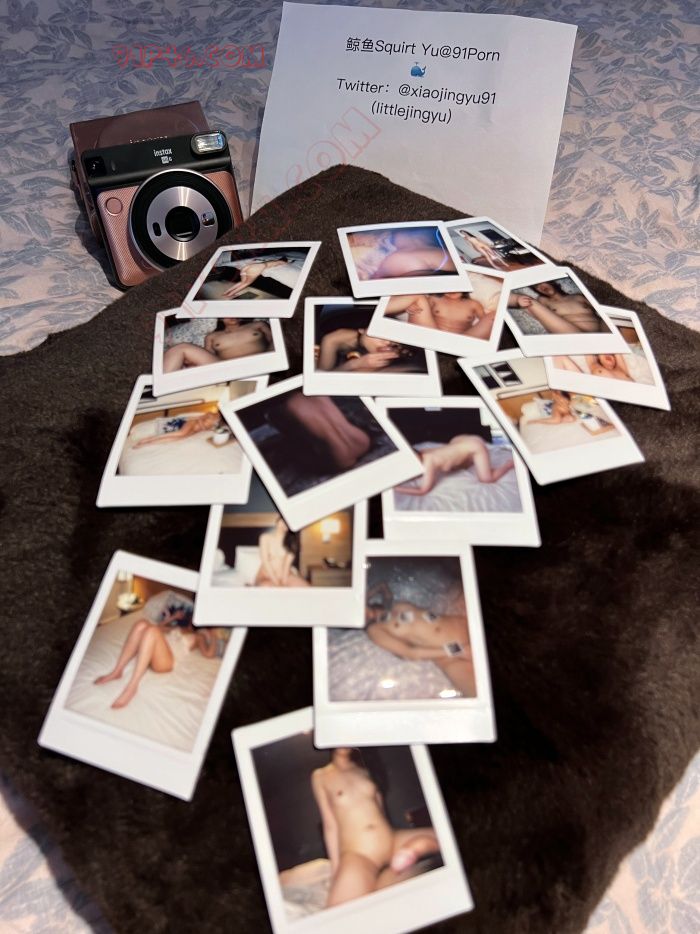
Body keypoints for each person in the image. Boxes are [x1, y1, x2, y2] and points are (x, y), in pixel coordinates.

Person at [311, 748, 440, 908]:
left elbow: (381, 812)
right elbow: (330, 826)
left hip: (391, 840)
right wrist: (336, 872)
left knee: (448, 835)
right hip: (360, 855)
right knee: (338, 912)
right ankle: (413, 850)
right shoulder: (320, 776)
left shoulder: (365, 770)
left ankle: (415, 848)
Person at [94, 614, 225, 709]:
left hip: (166, 660)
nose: (192, 619)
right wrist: (172, 618)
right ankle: (117, 671)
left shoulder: (199, 636)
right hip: (152, 650)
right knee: (141, 623)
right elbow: (157, 627)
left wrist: (213, 634)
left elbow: (209, 654)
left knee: (152, 631)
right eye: (192, 617)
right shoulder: (179, 628)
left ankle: (132, 686)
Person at [366, 598, 476, 697]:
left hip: (468, 626)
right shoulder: (375, 629)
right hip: (450, 657)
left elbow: (382, 587)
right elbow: (411, 653)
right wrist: (459, 650)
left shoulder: (396, 605)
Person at [268, 392, 371, 472]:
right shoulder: (316, 391)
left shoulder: (279, 410)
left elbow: (295, 440)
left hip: (337, 457)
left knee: (292, 448)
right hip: (362, 440)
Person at [394, 434, 514, 496]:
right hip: (459, 440)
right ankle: (472, 459)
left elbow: (423, 490)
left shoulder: (428, 460)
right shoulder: (422, 452)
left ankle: (508, 464)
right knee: (455, 466)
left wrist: (396, 488)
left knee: (486, 479)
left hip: (475, 446)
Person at [163, 319, 272, 371]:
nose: (231, 316)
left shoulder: (258, 324)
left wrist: (268, 358)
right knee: (180, 348)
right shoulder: (212, 336)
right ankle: (161, 389)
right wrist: (193, 363)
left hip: (261, 361)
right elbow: (208, 356)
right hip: (226, 368)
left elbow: (275, 340)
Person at [383, 292, 494, 339]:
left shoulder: (473, 304)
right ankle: (377, 309)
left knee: (493, 316)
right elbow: (422, 310)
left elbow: (484, 322)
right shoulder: (435, 299)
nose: (453, 290)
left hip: (462, 339)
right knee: (417, 297)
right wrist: (410, 306)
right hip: (433, 335)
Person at [509, 280, 605, 334]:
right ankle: (511, 297)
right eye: (536, 287)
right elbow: (538, 314)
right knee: (527, 301)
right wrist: (519, 302)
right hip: (573, 334)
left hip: (601, 332)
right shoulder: (544, 300)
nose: (541, 287)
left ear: (553, 283)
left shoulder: (578, 297)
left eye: (542, 282)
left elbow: (602, 310)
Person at [317, 327, 416, 373]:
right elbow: (321, 380)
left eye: (393, 344)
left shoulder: (380, 354)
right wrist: (354, 364)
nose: (386, 343)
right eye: (380, 334)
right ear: (362, 329)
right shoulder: (333, 339)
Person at [371, 229, 457, 280]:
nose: (379, 242)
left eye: (389, 239)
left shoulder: (400, 259)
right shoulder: (444, 254)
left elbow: (373, 283)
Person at [254, 517, 309, 587]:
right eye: (282, 521)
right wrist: (276, 582)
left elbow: (287, 565)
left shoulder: (291, 542)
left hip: (285, 575)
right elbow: (265, 561)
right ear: (277, 521)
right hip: (266, 576)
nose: (284, 524)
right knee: (267, 588)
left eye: (287, 523)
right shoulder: (265, 537)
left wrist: (284, 582)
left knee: (305, 587)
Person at [132, 411, 222, 448]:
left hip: (195, 430)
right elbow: (199, 418)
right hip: (193, 423)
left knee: (177, 438)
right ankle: (148, 439)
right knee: (181, 433)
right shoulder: (210, 414)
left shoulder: (217, 423)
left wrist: (210, 428)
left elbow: (208, 429)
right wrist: (203, 426)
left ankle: (147, 444)